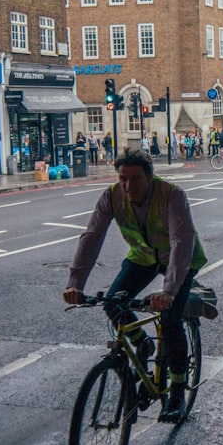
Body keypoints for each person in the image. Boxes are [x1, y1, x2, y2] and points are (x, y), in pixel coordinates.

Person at [62, 148, 208, 423]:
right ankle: (143, 346)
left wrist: (169, 291)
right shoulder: (111, 196)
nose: (128, 186)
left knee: (170, 317)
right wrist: (75, 284)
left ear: (150, 177)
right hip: (142, 257)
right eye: (123, 178)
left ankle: (176, 392)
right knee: (114, 303)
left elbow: (181, 241)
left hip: (180, 260)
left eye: (135, 178)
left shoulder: (172, 195)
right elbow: (91, 238)